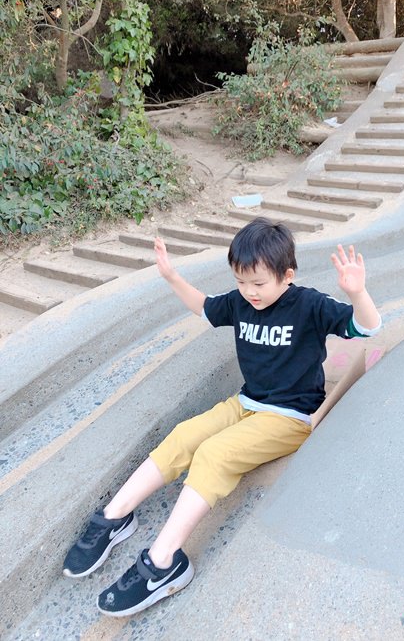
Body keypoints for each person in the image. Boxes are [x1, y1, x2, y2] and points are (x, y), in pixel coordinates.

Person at [62, 217, 381, 617]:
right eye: (241, 281)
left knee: (214, 454)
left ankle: (163, 562)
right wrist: (172, 277)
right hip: (246, 403)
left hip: (290, 416)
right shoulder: (240, 301)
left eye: (258, 283)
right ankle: (115, 517)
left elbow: (366, 328)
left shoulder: (309, 305)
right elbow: (204, 306)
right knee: (184, 435)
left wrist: (358, 292)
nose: (250, 292)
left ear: (287, 275)